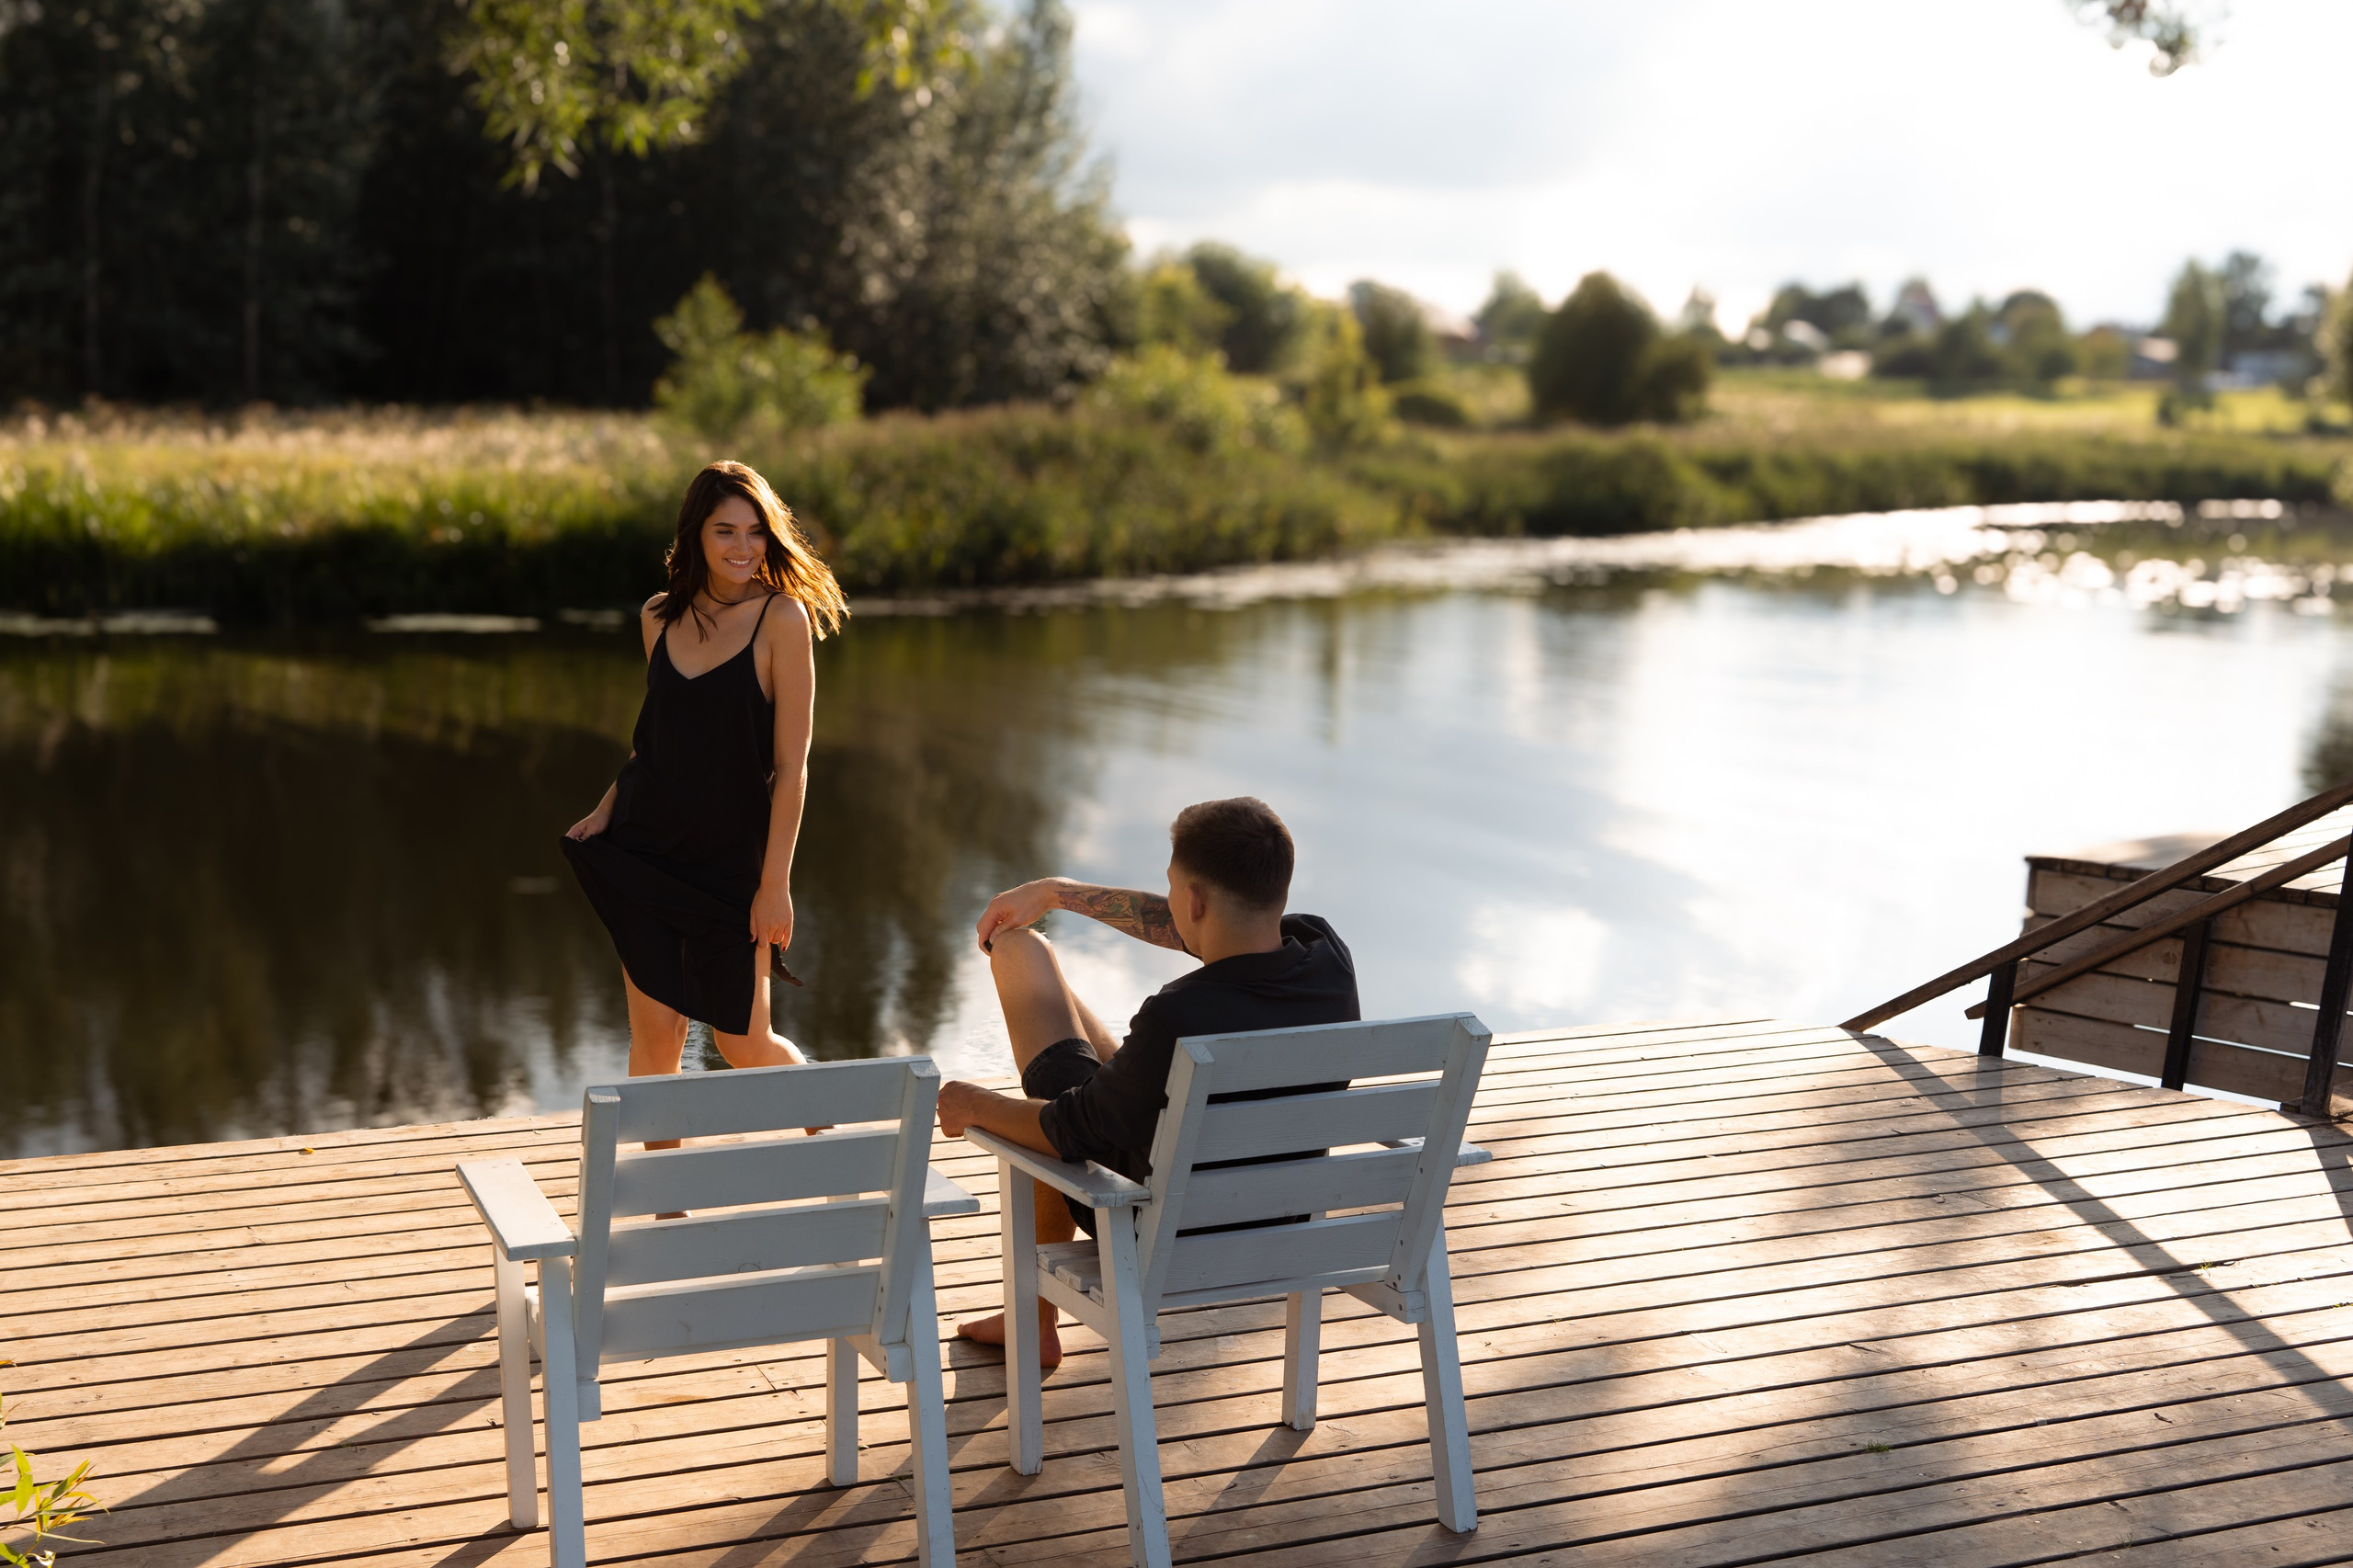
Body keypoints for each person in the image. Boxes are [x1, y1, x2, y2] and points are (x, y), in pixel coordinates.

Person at [936, 796, 1358, 1367]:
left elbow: (1067, 1131)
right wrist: (1058, 892)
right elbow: (1201, 926)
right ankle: (1029, 1318)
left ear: (1193, 900)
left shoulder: (1178, 1017)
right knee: (1091, 1041)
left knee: (1021, 952)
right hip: (1278, 1224)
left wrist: (974, 1103)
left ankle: (1033, 1319)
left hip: (1155, 1228)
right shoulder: (1327, 958)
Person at [560, 460, 848, 1111]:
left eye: (756, 533)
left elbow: (793, 765)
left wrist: (775, 886)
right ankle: (665, 1209)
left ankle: (837, 1142)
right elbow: (657, 740)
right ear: (695, 536)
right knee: (656, 1039)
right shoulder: (658, 616)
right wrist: (607, 809)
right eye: (726, 532)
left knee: (744, 1041)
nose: (743, 548)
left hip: (730, 864)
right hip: (645, 847)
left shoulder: (782, 619)